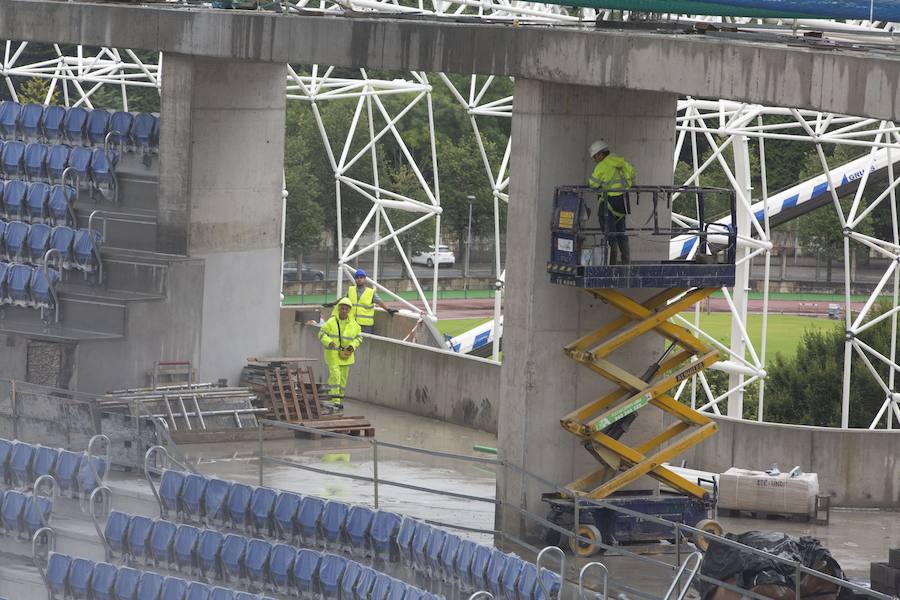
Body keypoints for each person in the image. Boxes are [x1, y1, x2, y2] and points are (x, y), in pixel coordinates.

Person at [588, 139, 636, 265]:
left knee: (610, 235)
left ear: (600, 154)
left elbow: (593, 184)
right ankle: (626, 262)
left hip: (607, 204)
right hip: (621, 203)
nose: (595, 160)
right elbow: (632, 174)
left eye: (595, 157)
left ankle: (611, 264)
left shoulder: (602, 166)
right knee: (621, 233)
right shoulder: (621, 162)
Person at [318, 297, 362, 412]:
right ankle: (335, 401)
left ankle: (339, 399)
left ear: (349, 310)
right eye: (342, 308)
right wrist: (329, 342)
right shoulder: (331, 322)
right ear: (338, 309)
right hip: (333, 355)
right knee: (335, 376)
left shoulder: (354, 324)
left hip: (346, 356)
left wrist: (352, 346)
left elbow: (359, 337)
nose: (343, 310)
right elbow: (321, 334)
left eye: (346, 309)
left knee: (343, 380)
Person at [329, 269, 396, 333]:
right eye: (357, 278)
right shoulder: (351, 290)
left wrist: (388, 309)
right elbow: (343, 299)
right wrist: (332, 303)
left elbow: (379, 302)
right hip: (352, 323)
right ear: (355, 279)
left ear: (364, 279)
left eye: (361, 277)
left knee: (364, 343)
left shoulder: (370, 292)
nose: (359, 279)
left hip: (365, 325)